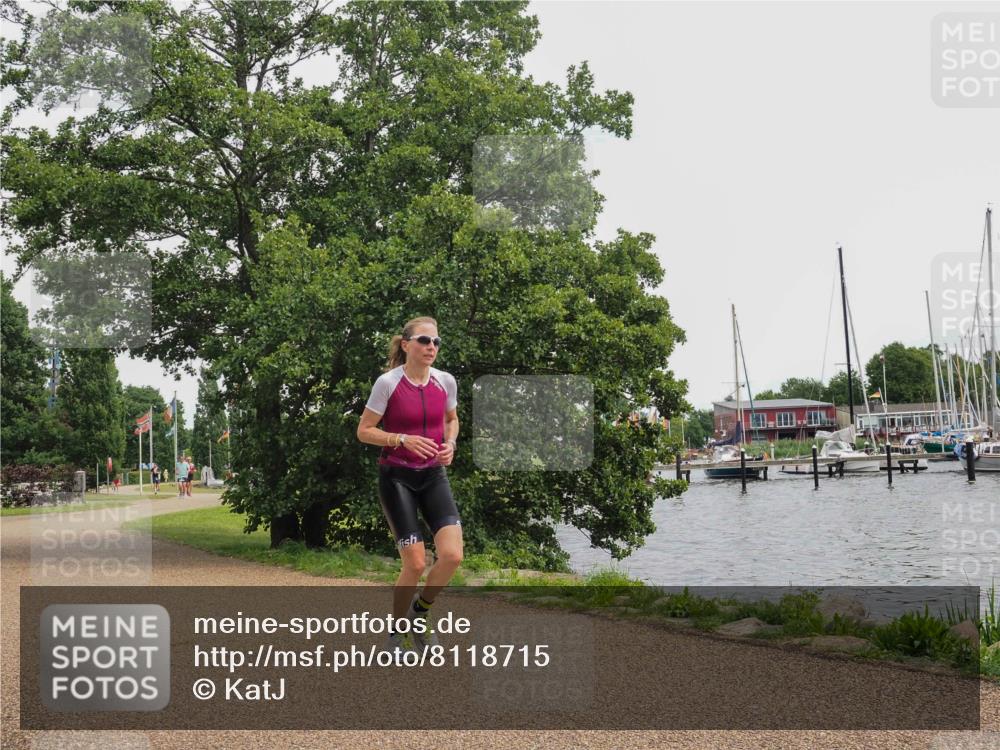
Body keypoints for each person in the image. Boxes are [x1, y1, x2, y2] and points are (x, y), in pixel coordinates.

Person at [356, 316, 462, 655]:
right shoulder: (388, 383)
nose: (432, 347)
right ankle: (395, 634)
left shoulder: (445, 381)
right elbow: (364, 431)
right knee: (415, 564)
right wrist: (401, 439)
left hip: (433, 476)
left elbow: (452, 419)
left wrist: (451, 443)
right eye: (424, 341)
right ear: (406, 345)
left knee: (452, 556)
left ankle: (420, 613)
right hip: (397, 477)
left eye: (436, 342)